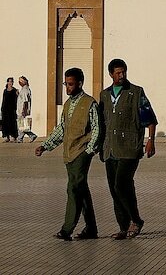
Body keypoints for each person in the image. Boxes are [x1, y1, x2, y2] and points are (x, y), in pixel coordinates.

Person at [34, 67, 101, 241]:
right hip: (69, 153)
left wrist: (89, 150)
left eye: (70, 84)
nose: (67, 88)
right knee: (81, 189)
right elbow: (62, 129)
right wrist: (45, 146)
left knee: (73, 188)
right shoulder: (67, 105)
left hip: (82, 152)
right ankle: (91, 229)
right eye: (66, 84)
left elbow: (97, 128)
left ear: (80, 83)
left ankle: (67, 229)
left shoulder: (90, 103)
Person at [99, 58, 157, 240]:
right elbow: (101, 123)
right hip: (110, 149)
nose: (121, 75)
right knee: (114, 189)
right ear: (111, 74)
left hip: (129, 148)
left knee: (121, 184)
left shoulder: (136, 92)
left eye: (123, 72)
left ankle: (136, 220)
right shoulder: (104, 95)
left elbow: (149, 118)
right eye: (118, 73)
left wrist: (151, 140)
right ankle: (124, 227)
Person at [17, 76, 37, 143]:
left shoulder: (25, 90)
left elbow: (25, 101)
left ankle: (21, 138)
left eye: (20, 81)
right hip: (20, 110)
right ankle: (30, 136)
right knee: (22, 125)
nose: (19, 82)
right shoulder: (24, 89)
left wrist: (24, 110)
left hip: (22, 110)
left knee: (21, 125)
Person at [2, 77, 18, 142]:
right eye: (9, 81)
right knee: (5, 123)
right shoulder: (5, 90)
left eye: (11, 81)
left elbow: (16, 100)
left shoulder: (14, 90)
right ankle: (6, 136)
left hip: (12, 109)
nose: (10, 83)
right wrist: (2, 108)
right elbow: (3, 100)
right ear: (7, 82)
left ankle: (13, 136)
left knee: (12, 123)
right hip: (5, 109)